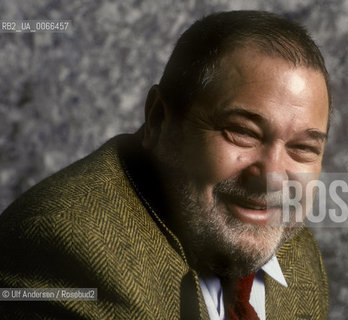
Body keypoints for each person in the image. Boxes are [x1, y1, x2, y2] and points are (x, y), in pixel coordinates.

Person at [0, 10, 331, 319]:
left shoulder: (297, 255)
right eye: (243, 132)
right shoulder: (67, 248)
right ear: (159, 120)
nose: (271, 178)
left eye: (303, 147)